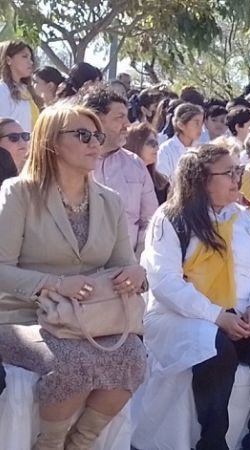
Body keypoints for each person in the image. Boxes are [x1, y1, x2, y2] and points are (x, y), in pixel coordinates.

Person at [0, 104, 147, 449]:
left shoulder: (109, 200)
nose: (95, 142)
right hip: (22, 317)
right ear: (51, 142)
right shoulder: (18, 193)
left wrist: (136, 272)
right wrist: (54, 285)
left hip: (90, 320)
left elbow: (122, 262)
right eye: (82, 135)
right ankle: (49, 444)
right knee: (74, 361)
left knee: (132, 356)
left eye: (97, 135)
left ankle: (79, 443)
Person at [141, 144, 250, 450]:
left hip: (240, 317)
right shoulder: (171, 219)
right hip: (184, 317)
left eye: (237, 170)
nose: (237, 178)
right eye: (228, 172)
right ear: (201, 179)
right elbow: (166, 283)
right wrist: (216, 316)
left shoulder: (249, 221)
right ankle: (212, 443)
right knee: (214, 347)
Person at [82, 86, 157, 257]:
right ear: (96, 120)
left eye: (127, 116)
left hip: (128, 269)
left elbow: (150, 220)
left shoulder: (136, 165)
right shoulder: (72, 163)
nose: (127, 125)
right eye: (119, 118)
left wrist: (136, 260)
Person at [0, 40, 41, 133]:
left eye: (30, 58)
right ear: (8, 60)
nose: (30, 62)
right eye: (25, 56)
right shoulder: (2, 90)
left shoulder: (28, 90)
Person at [157, 103, 204, 180]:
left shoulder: (202, 149)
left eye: (201, 123)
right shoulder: (166, 150)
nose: (201, 128)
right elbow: (163, 180)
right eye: (196, 123)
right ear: (181, 125)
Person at [126, 122, 170, 204]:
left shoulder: (162, 184)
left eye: (156, 143)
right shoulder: (122, 179)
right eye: (151, 143)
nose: (157, 148)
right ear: (136, 145)